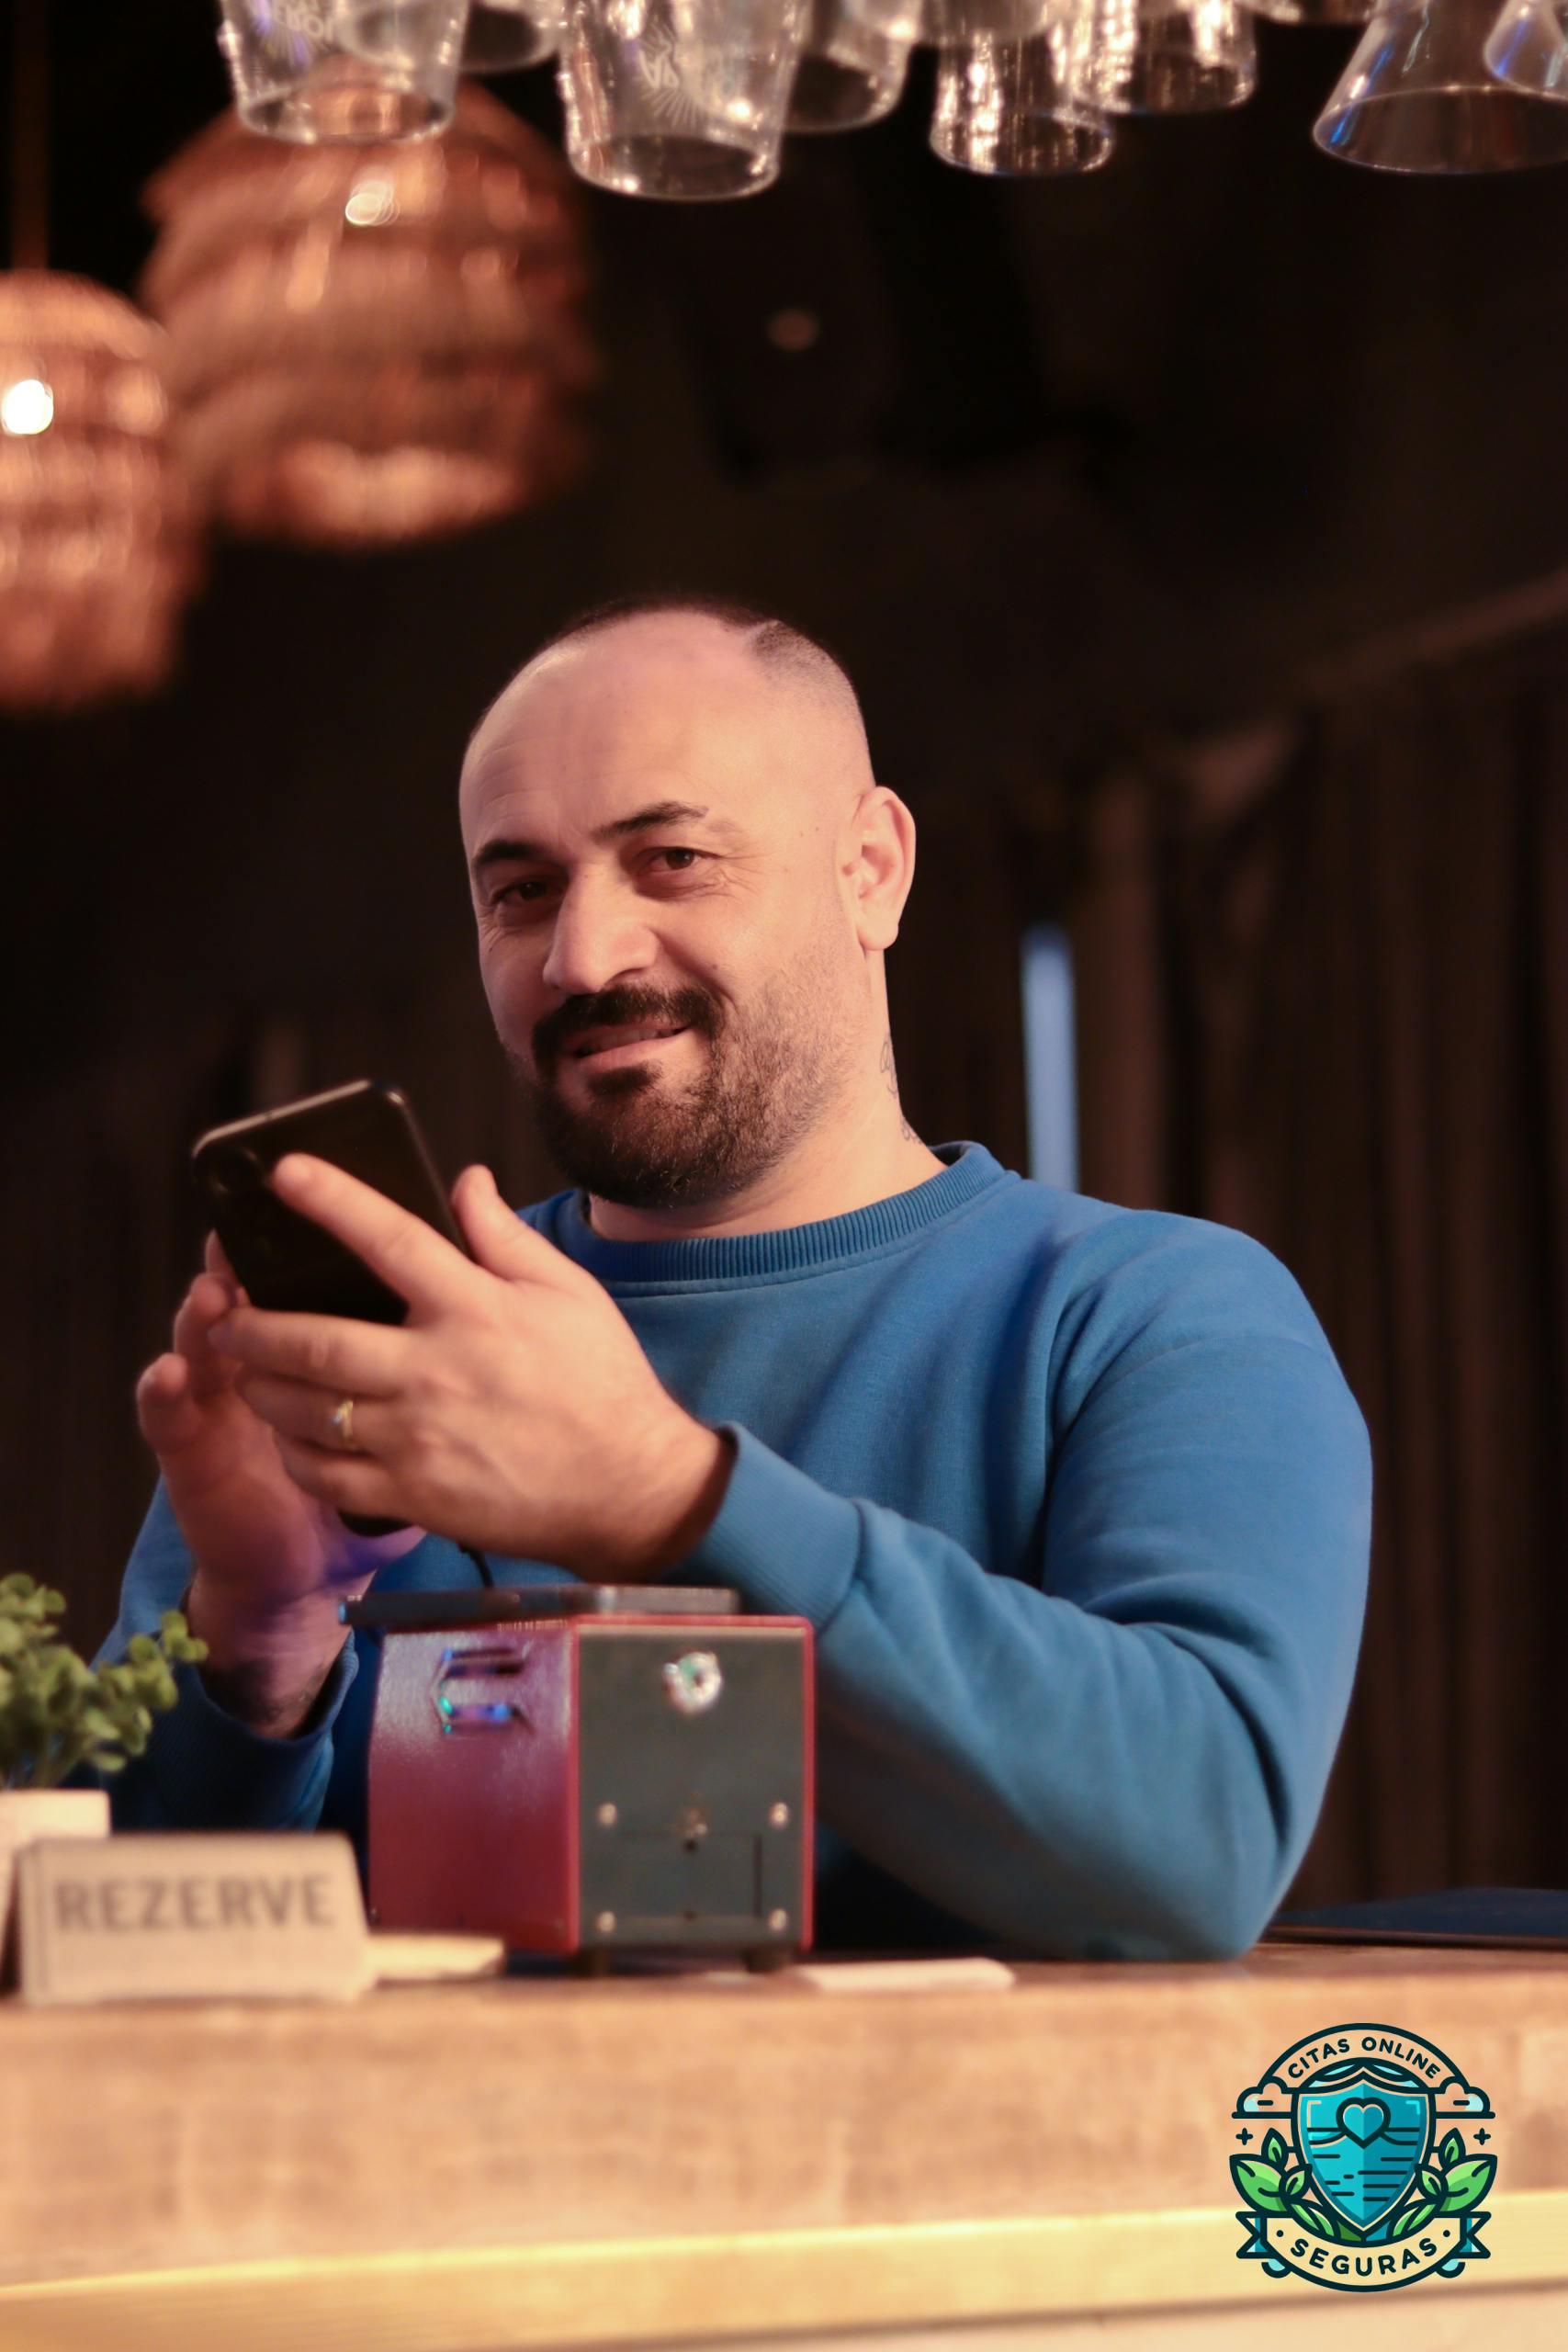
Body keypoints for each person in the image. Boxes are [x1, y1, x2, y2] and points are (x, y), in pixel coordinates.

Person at [101, 593, 1371, 1961]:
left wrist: (665, 1495)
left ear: (871, 869)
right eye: (521, 889)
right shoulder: (380, 1361)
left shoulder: (1158, 1318)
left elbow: (1201, 1849)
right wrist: (259, 1641)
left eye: (673, 859)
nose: (583, 957)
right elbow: (93, 1971)